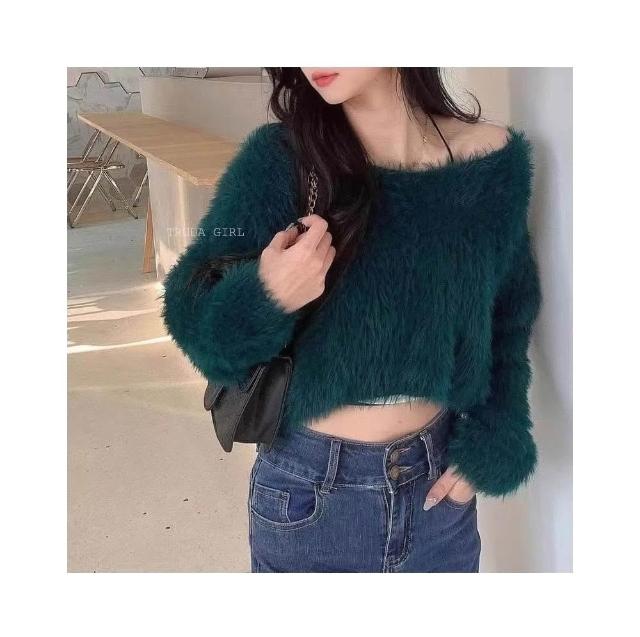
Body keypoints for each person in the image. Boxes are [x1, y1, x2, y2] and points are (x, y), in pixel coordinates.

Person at [161, 67, 543, 572]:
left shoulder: (489, 161)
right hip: (310, 497)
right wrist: (266, 295)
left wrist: (497, 434)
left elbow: (509, 314)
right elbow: (191, 308)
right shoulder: (281, 160)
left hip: (438, 502)